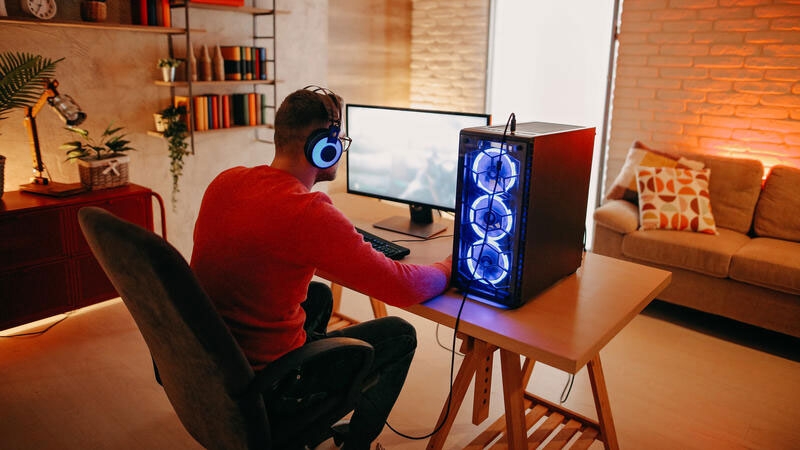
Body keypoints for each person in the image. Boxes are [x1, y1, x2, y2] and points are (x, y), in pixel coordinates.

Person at [190, 86, 452, 450]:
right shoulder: (307, 212)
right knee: (400, 333)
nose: (340, 149)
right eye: (338, 140)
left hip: (219, 362)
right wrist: (450, 266)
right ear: (322, 147)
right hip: (271, 385)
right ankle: (355, 444)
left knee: (317, 294)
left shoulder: (226, 181)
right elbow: (401, 288)